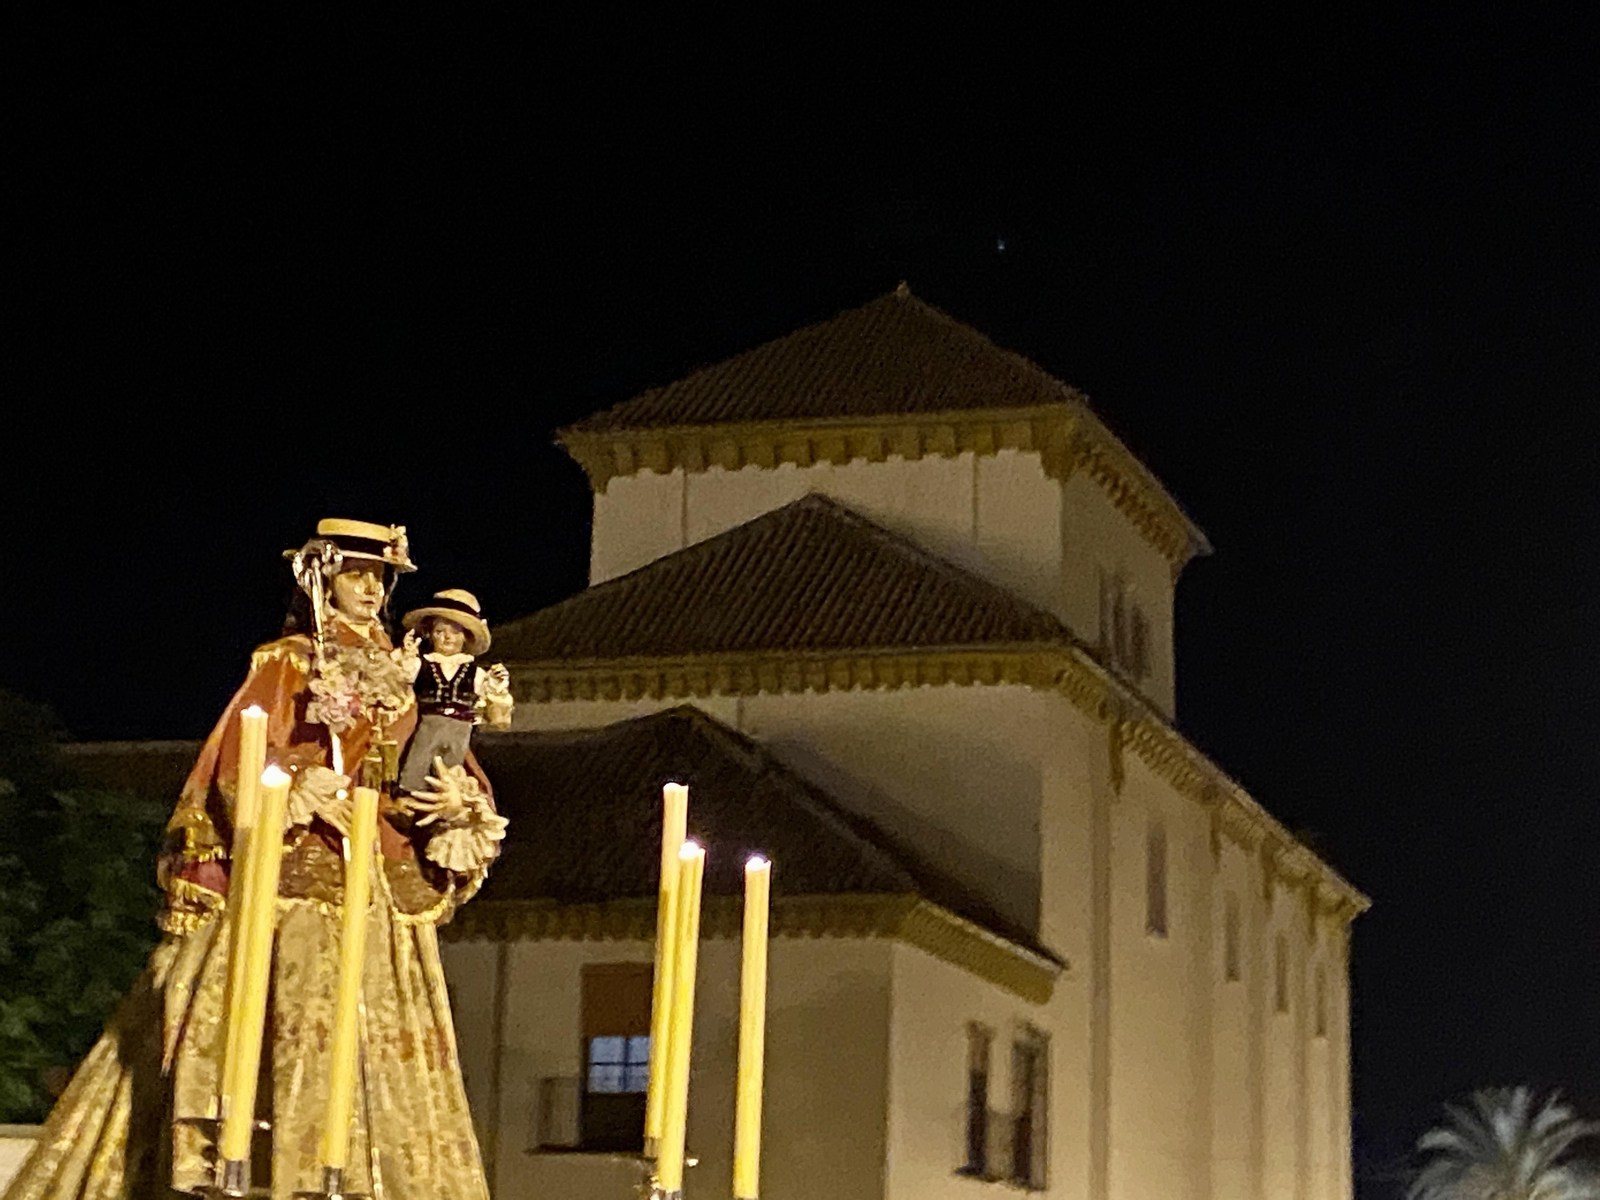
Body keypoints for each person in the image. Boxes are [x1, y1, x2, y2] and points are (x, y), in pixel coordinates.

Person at [4, 519, 504, 1200]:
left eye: (377, 579)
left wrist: (455, 801)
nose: (368, 590)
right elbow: (242, 755)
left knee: (377, 1041)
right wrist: (297, 788)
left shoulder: (405, 674)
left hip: (376, 886)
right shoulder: (288, 661)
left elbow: (444, 761)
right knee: (270, 1016)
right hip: (295, 877)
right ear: (323, 582)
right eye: (355, 576)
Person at [396, 589, 513, 798]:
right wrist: (406, 655)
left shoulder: (473, 673)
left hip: (460, 727)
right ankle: (409, 792)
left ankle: (447, 797)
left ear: (465, 637)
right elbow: (400, 677)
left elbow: (495, 711)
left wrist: (497, 686)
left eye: (455, 632)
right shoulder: (422, 665)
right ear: (430, 634)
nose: (447, 637)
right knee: (420, 757)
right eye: (440, 631)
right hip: (430, 722)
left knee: (452, 767)